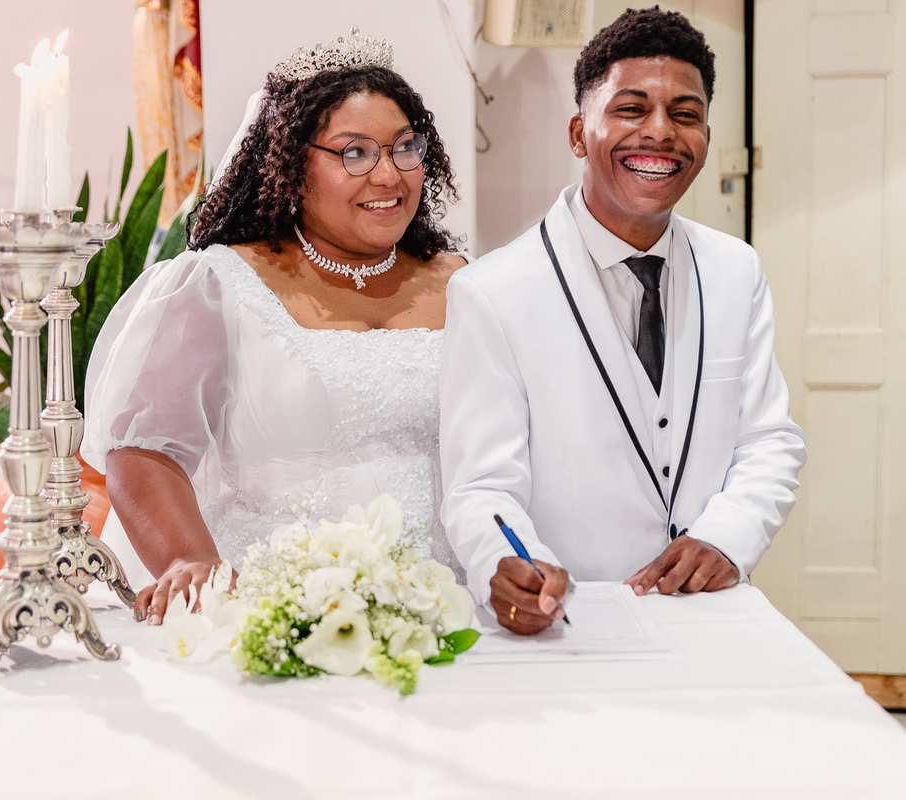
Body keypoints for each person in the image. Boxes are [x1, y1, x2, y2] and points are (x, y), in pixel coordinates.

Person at [439, 7, 807, 635]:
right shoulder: (491, 292)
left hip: (711, 614)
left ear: (706, 137)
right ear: (579, 133)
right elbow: (482, 487)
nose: (660, 132)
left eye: (685, 114)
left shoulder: (735, 270)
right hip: (573, 622)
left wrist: (727, 538)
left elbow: (768, 439)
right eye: (631, 109)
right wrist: (511, 567)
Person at [82, 29, 466, 625]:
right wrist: (190, 562)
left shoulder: (465, 283)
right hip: (271, 598)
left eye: (404, 148)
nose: (389, 176)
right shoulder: (219, 285)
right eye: (355, 153)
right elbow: (144, 452)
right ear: (292, 166)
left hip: (443, 594)